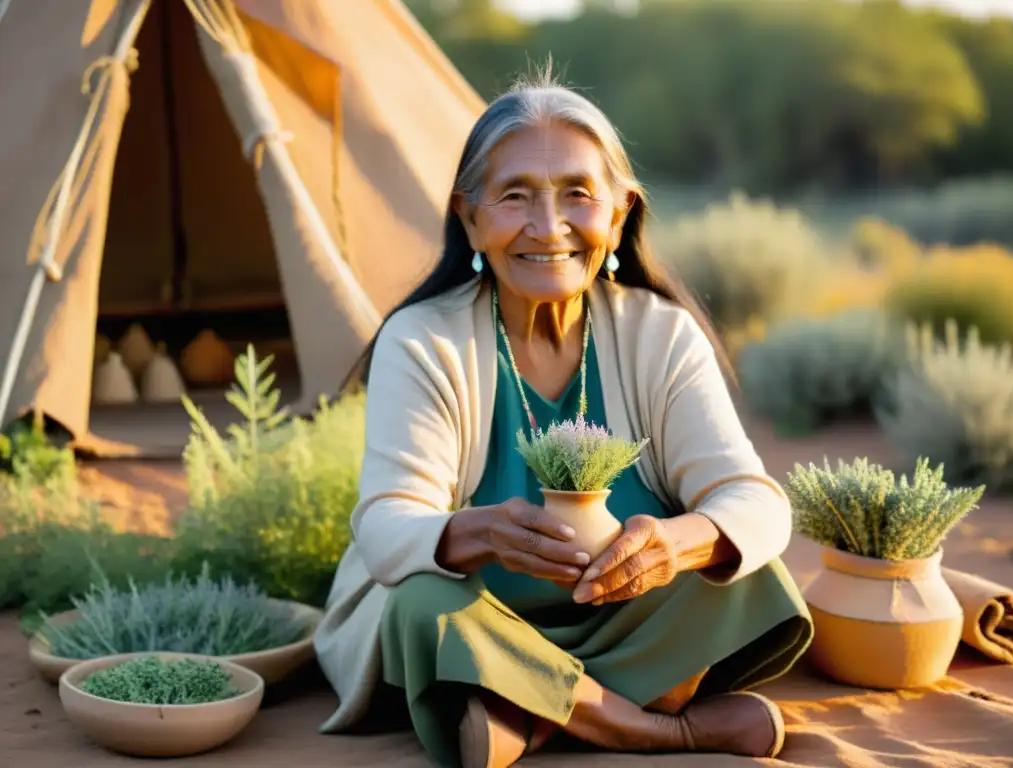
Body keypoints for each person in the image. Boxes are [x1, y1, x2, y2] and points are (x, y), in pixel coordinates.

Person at [315, 70, 813, 768]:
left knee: (750, 570)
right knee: (419, 605)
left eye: (578, 194)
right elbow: (385, 528)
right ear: (470, 219)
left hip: (624, 616)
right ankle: (660, 726)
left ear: (618, 214)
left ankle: (532, 714)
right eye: (515, 196)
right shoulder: (422, 340)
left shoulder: (659, 334)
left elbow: (755, 501)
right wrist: (478, 530)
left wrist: (678, 542)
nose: (548, 228)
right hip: (486, 623)